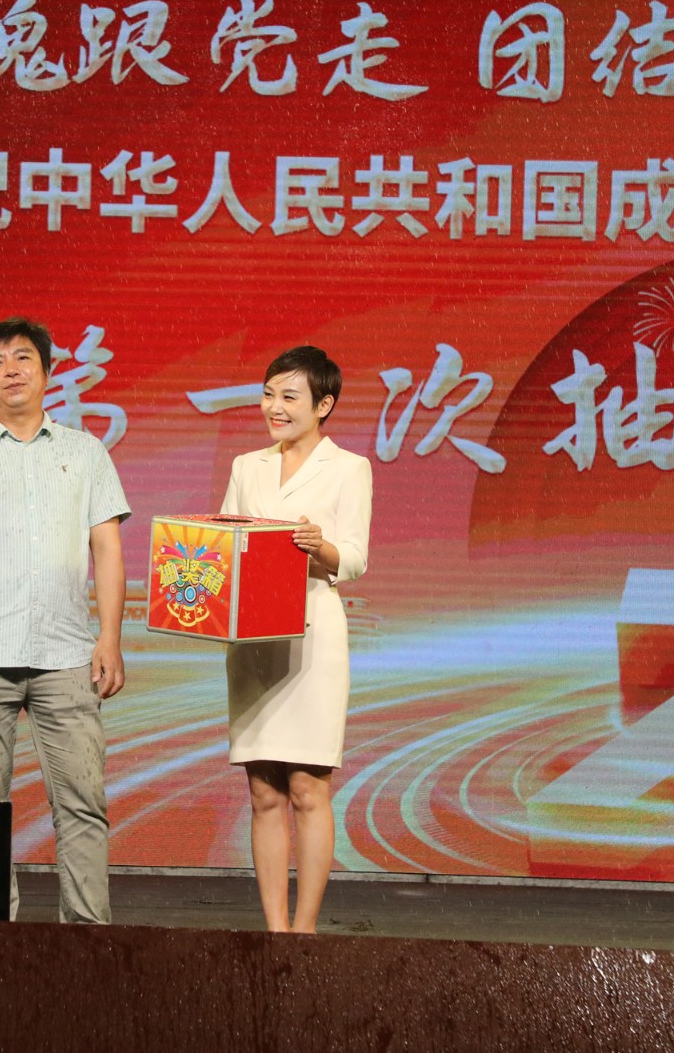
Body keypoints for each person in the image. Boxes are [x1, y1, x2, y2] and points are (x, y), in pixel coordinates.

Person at [0, 317, 129, 924]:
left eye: (23, 358)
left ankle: (87, 939)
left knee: (83, 803)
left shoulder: (85, 451)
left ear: (47, 371)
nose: (11, 370)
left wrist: (110, 637)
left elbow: (107, 548)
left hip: (66, 651)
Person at [219, 345, 371, 933]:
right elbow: (225, 543)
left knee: (308, 787)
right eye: (268, 394)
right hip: (253, 640)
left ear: (323, 404)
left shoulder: (349, 468)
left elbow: (353, 558)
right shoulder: (246, 466)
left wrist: (318, 546)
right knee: (264, 792)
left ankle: (305, 934)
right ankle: (275, 933)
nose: (274, 407)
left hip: (312, 638)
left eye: (289, 396)